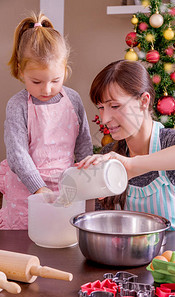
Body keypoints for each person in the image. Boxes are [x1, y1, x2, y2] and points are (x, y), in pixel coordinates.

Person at [76, 60, 175, 231]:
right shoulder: (109, 154)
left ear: (144, 101)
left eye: (114, 106)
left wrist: (133, 166)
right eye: (101, 107)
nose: (105, 119)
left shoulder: (172, 142)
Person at [0, 12, 93, 229]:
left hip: (66, 189)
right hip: (27, 194)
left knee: (61, 241)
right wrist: (39, 189)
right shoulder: (18, 105)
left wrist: (89, 180)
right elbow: (17, 155)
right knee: (25, 248)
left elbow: (84, 145)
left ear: (65, 69)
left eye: (55, 80)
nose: (47, 89)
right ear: (20, 71)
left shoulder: (73, 100)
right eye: (36, 81)